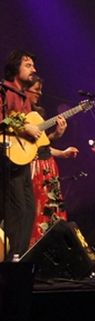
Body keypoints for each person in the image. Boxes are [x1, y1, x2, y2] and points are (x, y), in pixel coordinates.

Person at [25, 75, 78, 246]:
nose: (39, 93)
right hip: (33, 168)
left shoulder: (39, 114)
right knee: (36, 209)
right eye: (36, 89)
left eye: (41, 89)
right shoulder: (18, 114)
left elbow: (43, 146)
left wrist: (62, 149)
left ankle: (53, 247)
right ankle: (34, 246)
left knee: (52, 208)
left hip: (48, 166)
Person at [0, 50, 42, 259]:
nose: (33, 69)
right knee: (18, 211)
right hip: (7, 160)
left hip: (22, 160)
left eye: (33, 65)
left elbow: (32, 137)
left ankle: (20, 256)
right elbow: (3, 121)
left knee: (30, 211)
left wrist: (54, 133)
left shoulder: (25, 98)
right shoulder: (4, 92)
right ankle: (12, 258)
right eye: (28, 65)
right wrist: (23, 128)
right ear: (15, 68)